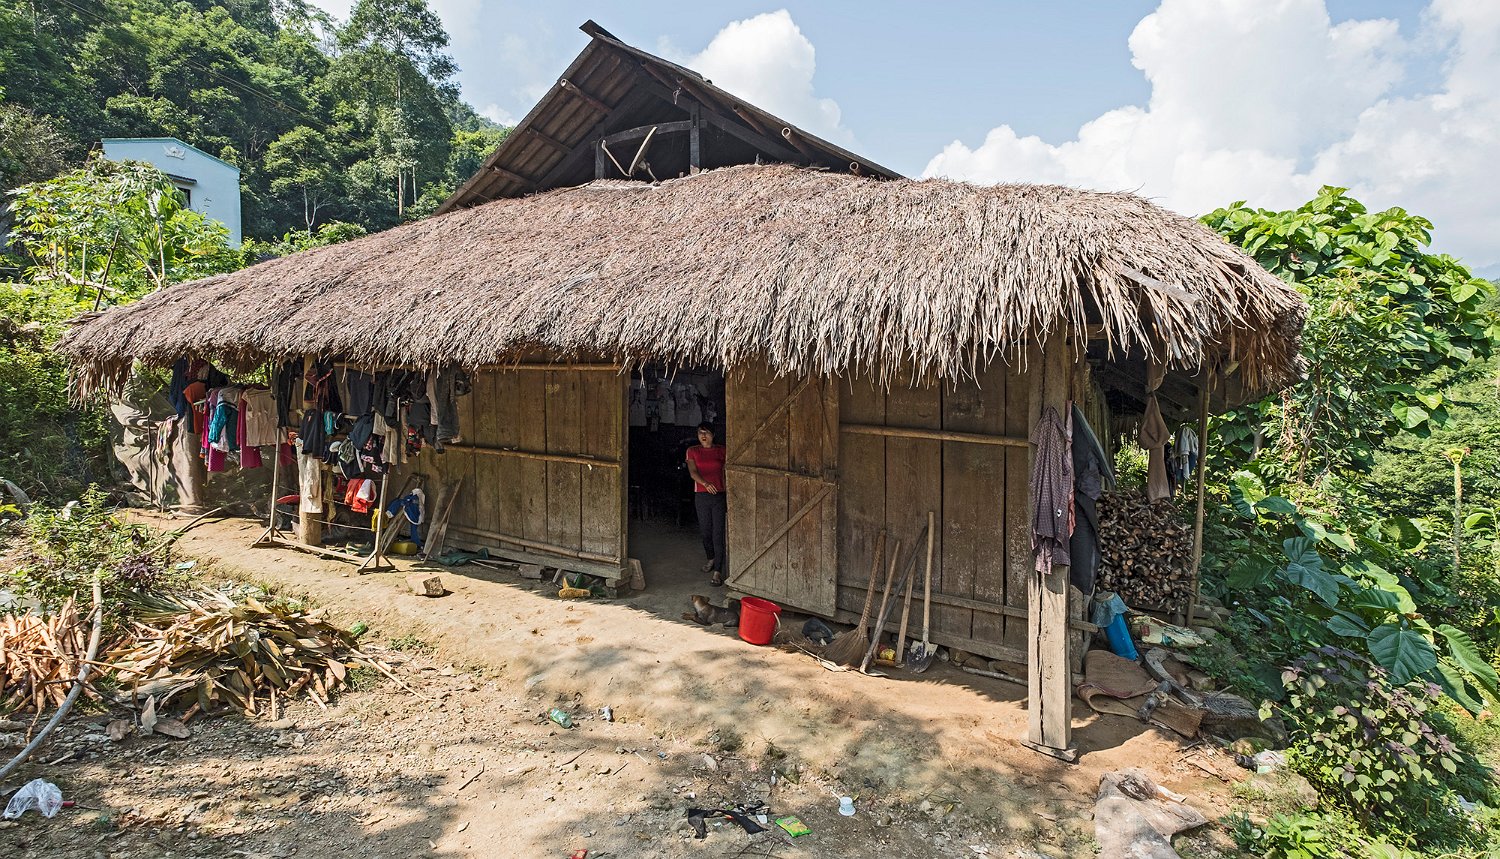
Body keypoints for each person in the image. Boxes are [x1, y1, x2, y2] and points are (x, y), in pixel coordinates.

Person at [685, 422, 727, 585]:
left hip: (719, 495)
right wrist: (705, 483)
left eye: (707, 432)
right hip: (702, 495)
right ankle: (711, 558)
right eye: (700, 432)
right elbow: (693, 472)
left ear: (713, 435)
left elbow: (728, 470)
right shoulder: (692, 451)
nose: (703, 435)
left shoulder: (722, 450)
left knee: (718, 534)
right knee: (705, 532)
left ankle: (717, 571)